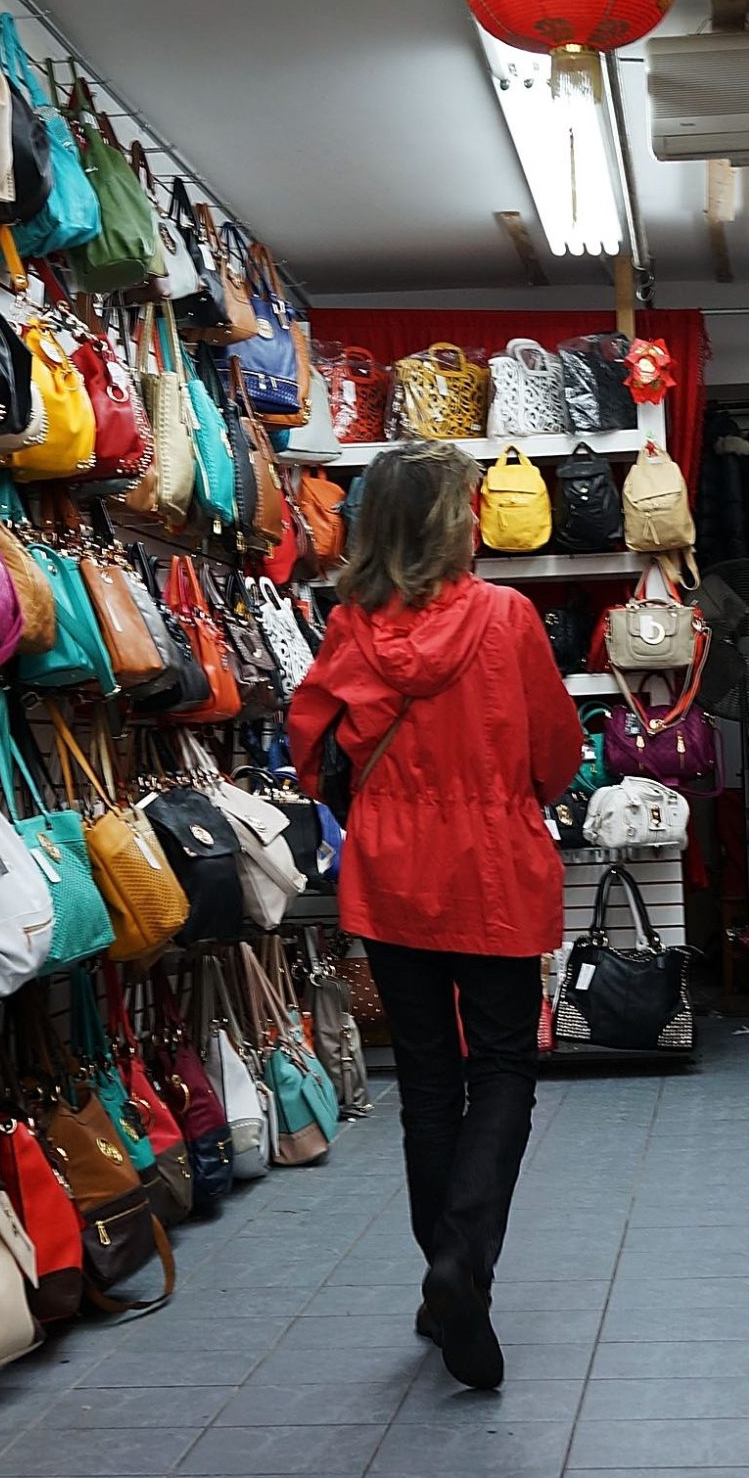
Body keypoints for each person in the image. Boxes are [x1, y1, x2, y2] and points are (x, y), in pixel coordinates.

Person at [285, 441, 583, 1391]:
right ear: (455, 521)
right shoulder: (507, 615)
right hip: (493, 867)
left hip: (392, 872)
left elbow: (311, 750)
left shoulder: (348, 625)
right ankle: (464, 1267)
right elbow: (554, 753)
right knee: (502, 1068)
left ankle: (443, 1279)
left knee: (425, 1082)